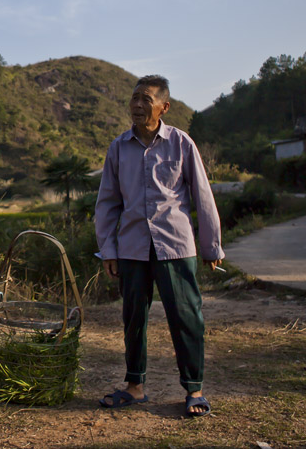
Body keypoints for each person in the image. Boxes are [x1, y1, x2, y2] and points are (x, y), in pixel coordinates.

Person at [93, 75, 223, 417]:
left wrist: (211, 247)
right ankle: (135, 387)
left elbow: (202, 196)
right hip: (132, 247)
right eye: (134, 98)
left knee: (186, 317)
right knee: (133, 317)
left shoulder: (181, 143)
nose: (137, 105)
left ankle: (194, 389)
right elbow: (107, 202)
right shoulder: (118, 147)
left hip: (176, 247)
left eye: (145, 99)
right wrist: (108, 249)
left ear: (164, 106)